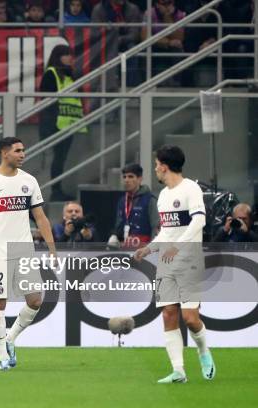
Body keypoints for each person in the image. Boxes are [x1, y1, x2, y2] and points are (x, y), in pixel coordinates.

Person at [0, 137, 56, 371]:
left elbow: (40, 217)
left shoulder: (29, 181)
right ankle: (2, 358)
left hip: (24, 250)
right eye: (18, 150)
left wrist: (51, 248)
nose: (22, 154)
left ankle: (10, 339)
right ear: (4, 153)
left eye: (23, 150)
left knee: (36, 300)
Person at [134, 145, 215, 384]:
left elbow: (198, 222)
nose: (155, 168)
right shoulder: (164, 196)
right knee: (169, 314)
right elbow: (167, 233)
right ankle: (178, 371)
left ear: (165, 166)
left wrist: (177, 247)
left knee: (190, 318)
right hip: (167, 262)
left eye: (157, 164)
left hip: (188, 259)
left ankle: (203, 351)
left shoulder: (190, 188)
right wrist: (149, 248)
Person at [39, 44, 87, 202]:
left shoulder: (71, 75)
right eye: (65, 54)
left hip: (70, 123)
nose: (69, 58)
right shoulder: (51, 73)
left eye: (70, 55)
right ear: (57, 57)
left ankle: (58, 190)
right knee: (58, 158)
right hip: (57, 124)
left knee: (62, 158)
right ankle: (56, 190)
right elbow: (46, 100)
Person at [109, 163, 159, 248]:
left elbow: (156, 228)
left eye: (130, 176)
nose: (126, 180)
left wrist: (151, 250)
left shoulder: (150, 200)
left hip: (144, 249)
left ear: (140, 179)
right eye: (124, 177)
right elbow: (119, 226)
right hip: (125, 249)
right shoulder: (122, 201)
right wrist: (115, 236)